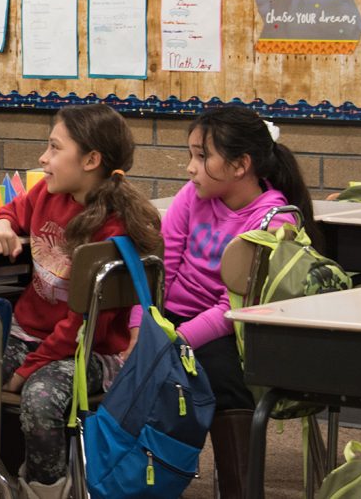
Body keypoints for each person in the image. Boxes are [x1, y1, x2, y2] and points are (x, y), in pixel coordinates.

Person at [123, 105, 318, 499]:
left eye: (202, 156)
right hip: (174, 316)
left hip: (228, 327)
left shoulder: (273, 220)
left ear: (240, 164)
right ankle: (127, 479)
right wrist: (140, 325)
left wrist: (176, 341)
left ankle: (240, 488)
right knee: (125, 361)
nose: (190, 167)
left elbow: (231, 310)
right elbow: (159, 271)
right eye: (191, 154)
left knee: (222, 374)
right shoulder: (191, 197)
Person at [0, 104, 162, 499]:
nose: (44, 158)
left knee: (40, 401)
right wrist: (3, 223)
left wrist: (27, 370)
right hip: (26, 336)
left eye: (55, 148)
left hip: (87, 352)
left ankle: (45, 491)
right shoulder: (45, 192)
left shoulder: (113, 227)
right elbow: (13, 209)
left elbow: (80, 327)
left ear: (91, 160)